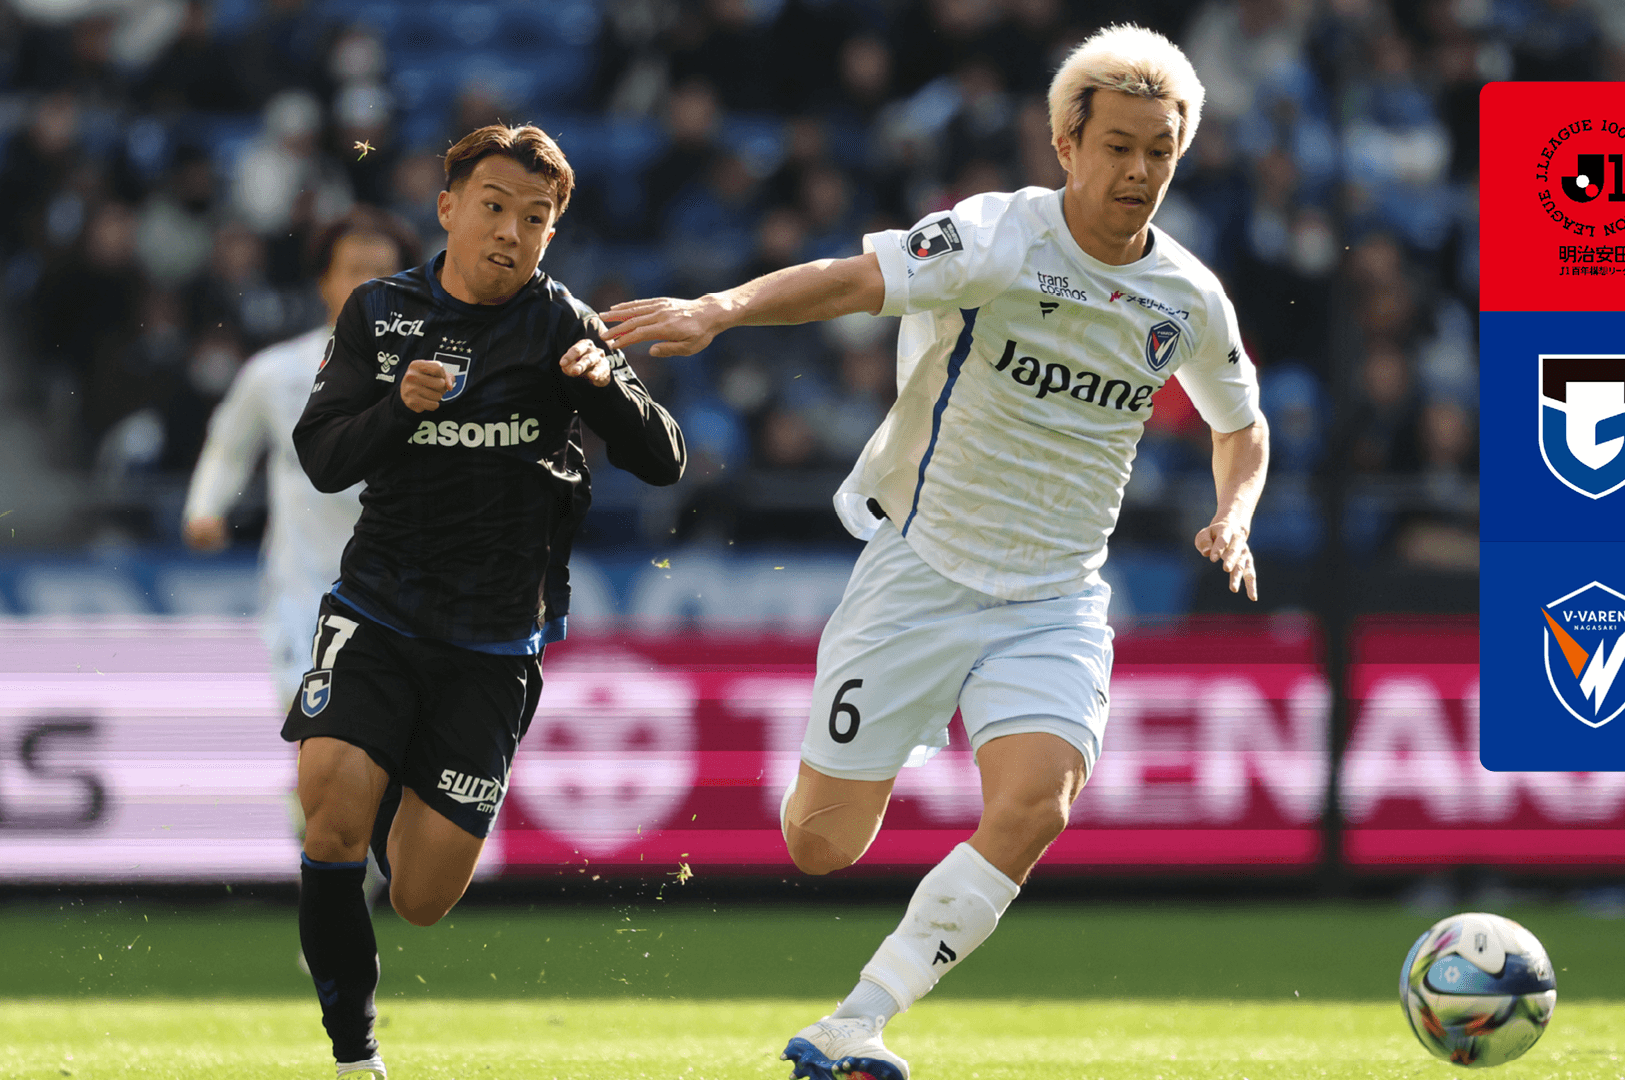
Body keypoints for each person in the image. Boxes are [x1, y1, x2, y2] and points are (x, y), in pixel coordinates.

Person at [602, 24, 1267, 1080]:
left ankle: (857, 1021)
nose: (1139, 170)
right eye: (1119, 146)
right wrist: (719, 310)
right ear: (1067, 143)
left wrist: (1235, 514)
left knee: (1037, 803)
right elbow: (853, 278)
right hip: (922, 572)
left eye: (1160, 151)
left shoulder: (1188, 296)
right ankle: (855, 772)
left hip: (1055, 598)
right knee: (822, 844)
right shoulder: (997, 237)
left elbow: (1242, 425)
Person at [286, 123, 686, 1080]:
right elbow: (322, 457)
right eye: (495, 207)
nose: (511, 231)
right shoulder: (380, 313)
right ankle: (354, 1056)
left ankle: (399, 784)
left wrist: (608, 391)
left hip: (495, 643)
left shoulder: (565, 324)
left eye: (535, 218)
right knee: (331, 809)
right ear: (449, 208)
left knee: (420, 898)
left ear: (552, 232)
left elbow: (664, 458)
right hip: (377, 609)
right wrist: (399, 409)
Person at [182, 207, 421, 706]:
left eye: (384, 273)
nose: (369, 286)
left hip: (409, 587)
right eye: (355, 270)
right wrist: (205, 509)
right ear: (323, 282)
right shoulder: (276, 373)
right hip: (305, 588)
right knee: (312, 724)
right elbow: (228, 449)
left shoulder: (438, 376)